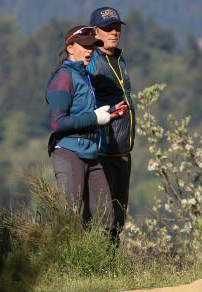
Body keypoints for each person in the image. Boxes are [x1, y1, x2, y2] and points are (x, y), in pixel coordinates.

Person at [45, 25, 123, 232]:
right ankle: (60, 264)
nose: (90, 50)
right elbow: (57, 122)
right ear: (70, 47)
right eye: (84, 46)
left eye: (93, 46)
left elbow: (83, 113)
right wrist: (94, 118)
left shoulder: (84, 76)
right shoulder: (63, 77)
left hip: (90, 150)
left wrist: (109, 112)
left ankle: (102, 264)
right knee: (68, 218)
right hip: (69, 151)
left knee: (106, 217)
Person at [87, 7, 136, 245]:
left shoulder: (118, 57)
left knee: (119, 215)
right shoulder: (93, 61)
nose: (114, 33)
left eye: (117, 27)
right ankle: (97, 263)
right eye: (108, 29)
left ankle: (112, 263)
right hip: (103, 149)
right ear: (95, 32)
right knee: (103, 216)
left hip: (123, 150)